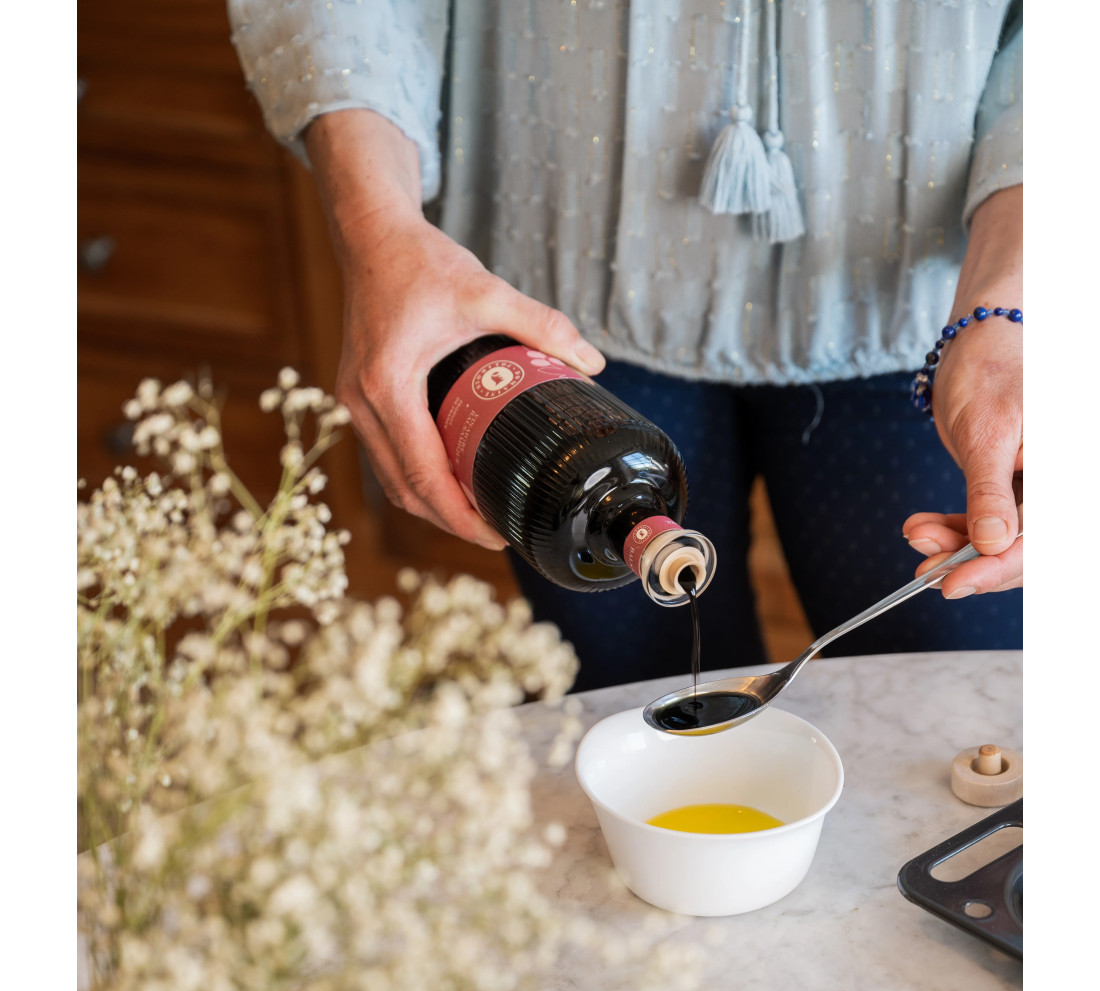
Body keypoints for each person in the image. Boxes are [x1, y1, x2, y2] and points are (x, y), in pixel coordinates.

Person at [228, 0, 1022, 691]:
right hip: (558, 310)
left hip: (934, 321)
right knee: (632, 701)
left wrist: (1011, 299)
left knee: (956, 704)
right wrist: (379, 229)